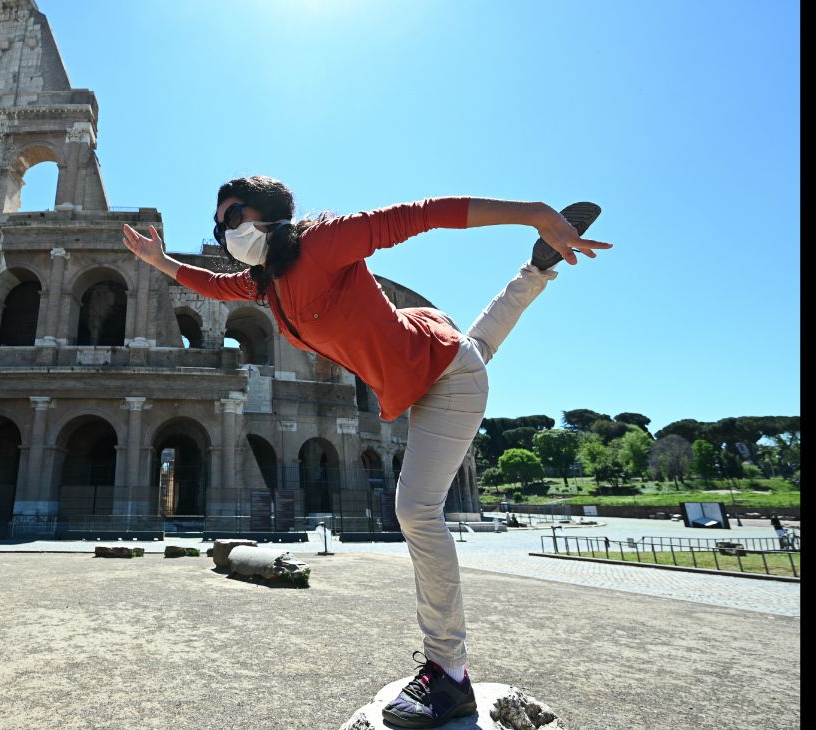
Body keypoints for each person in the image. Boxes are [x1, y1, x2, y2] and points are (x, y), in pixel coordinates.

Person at [121, 176, 611, 728]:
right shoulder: (270, 285)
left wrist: (535, 210)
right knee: (478, 346)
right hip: (428, 364)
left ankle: (449, 673)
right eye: (218, 224)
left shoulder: (323, 241)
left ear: (270, 213)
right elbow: (210, 285)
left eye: (233, 216)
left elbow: (426, 212)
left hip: (445, 377)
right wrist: (160, 261)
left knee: (417, 510)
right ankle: (537, 270)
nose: (226, 231)